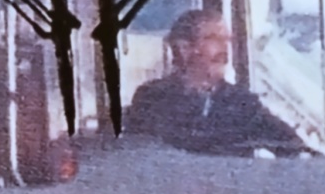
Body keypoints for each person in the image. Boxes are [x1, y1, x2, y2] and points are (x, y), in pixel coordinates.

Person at [126, 9, 310, 157]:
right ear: (185, 48)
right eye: (213, 39)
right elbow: (138, 157)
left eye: (227, 40)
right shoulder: (151, 98)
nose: (224, 49)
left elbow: (291, 145)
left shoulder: (242, 102)